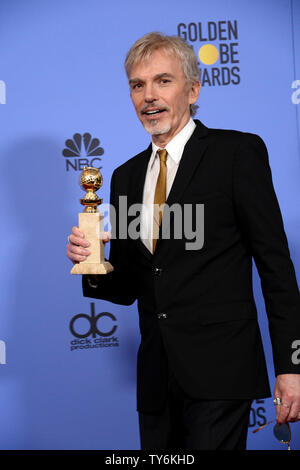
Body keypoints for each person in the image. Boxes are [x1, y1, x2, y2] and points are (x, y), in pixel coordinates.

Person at [67, 32, 300, 450]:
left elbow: (276, 267)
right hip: (156, 380)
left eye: (163, 81)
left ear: (192, 90)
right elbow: (129, 287)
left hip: (221, 372)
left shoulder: (237, 153)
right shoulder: (124, 177)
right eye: (138, 85)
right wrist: (93, 263)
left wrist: (293, 366)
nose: (149, 96)